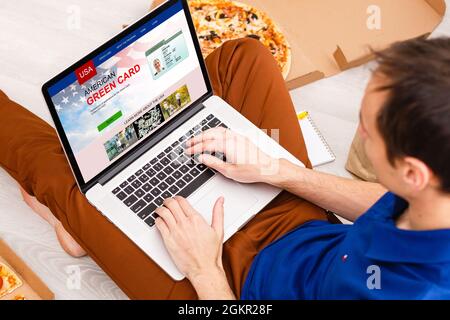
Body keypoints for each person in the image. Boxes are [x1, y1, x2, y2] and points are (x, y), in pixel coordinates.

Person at [0, 37, 448, 300]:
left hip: (228, 288)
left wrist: (204, 268)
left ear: (413, 172)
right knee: (244, 56)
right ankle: (114, 196)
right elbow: (387, 204)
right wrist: (280, 172)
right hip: (303, 229)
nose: (360, 133)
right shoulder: (432, 198)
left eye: (367, 130)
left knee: (62, 178)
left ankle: (85, 218)